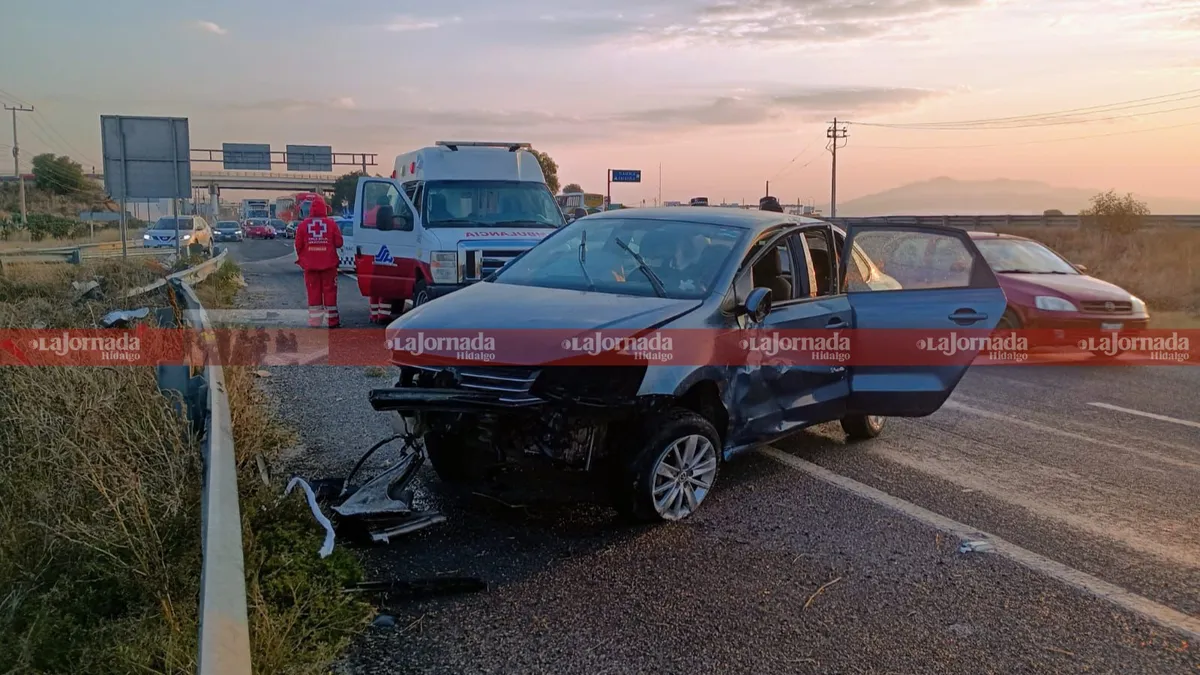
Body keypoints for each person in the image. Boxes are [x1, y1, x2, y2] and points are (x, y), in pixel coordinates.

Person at [294, 197, 344, 328]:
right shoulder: (331, 224)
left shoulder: (303, 225)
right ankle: (332, 321)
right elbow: (339, 243)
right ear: (325, 208)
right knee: (330, 292)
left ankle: (315, 322)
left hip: (310, 267)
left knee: (313, 293)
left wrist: (305, 257)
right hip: (329, 266)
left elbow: (298, 245)